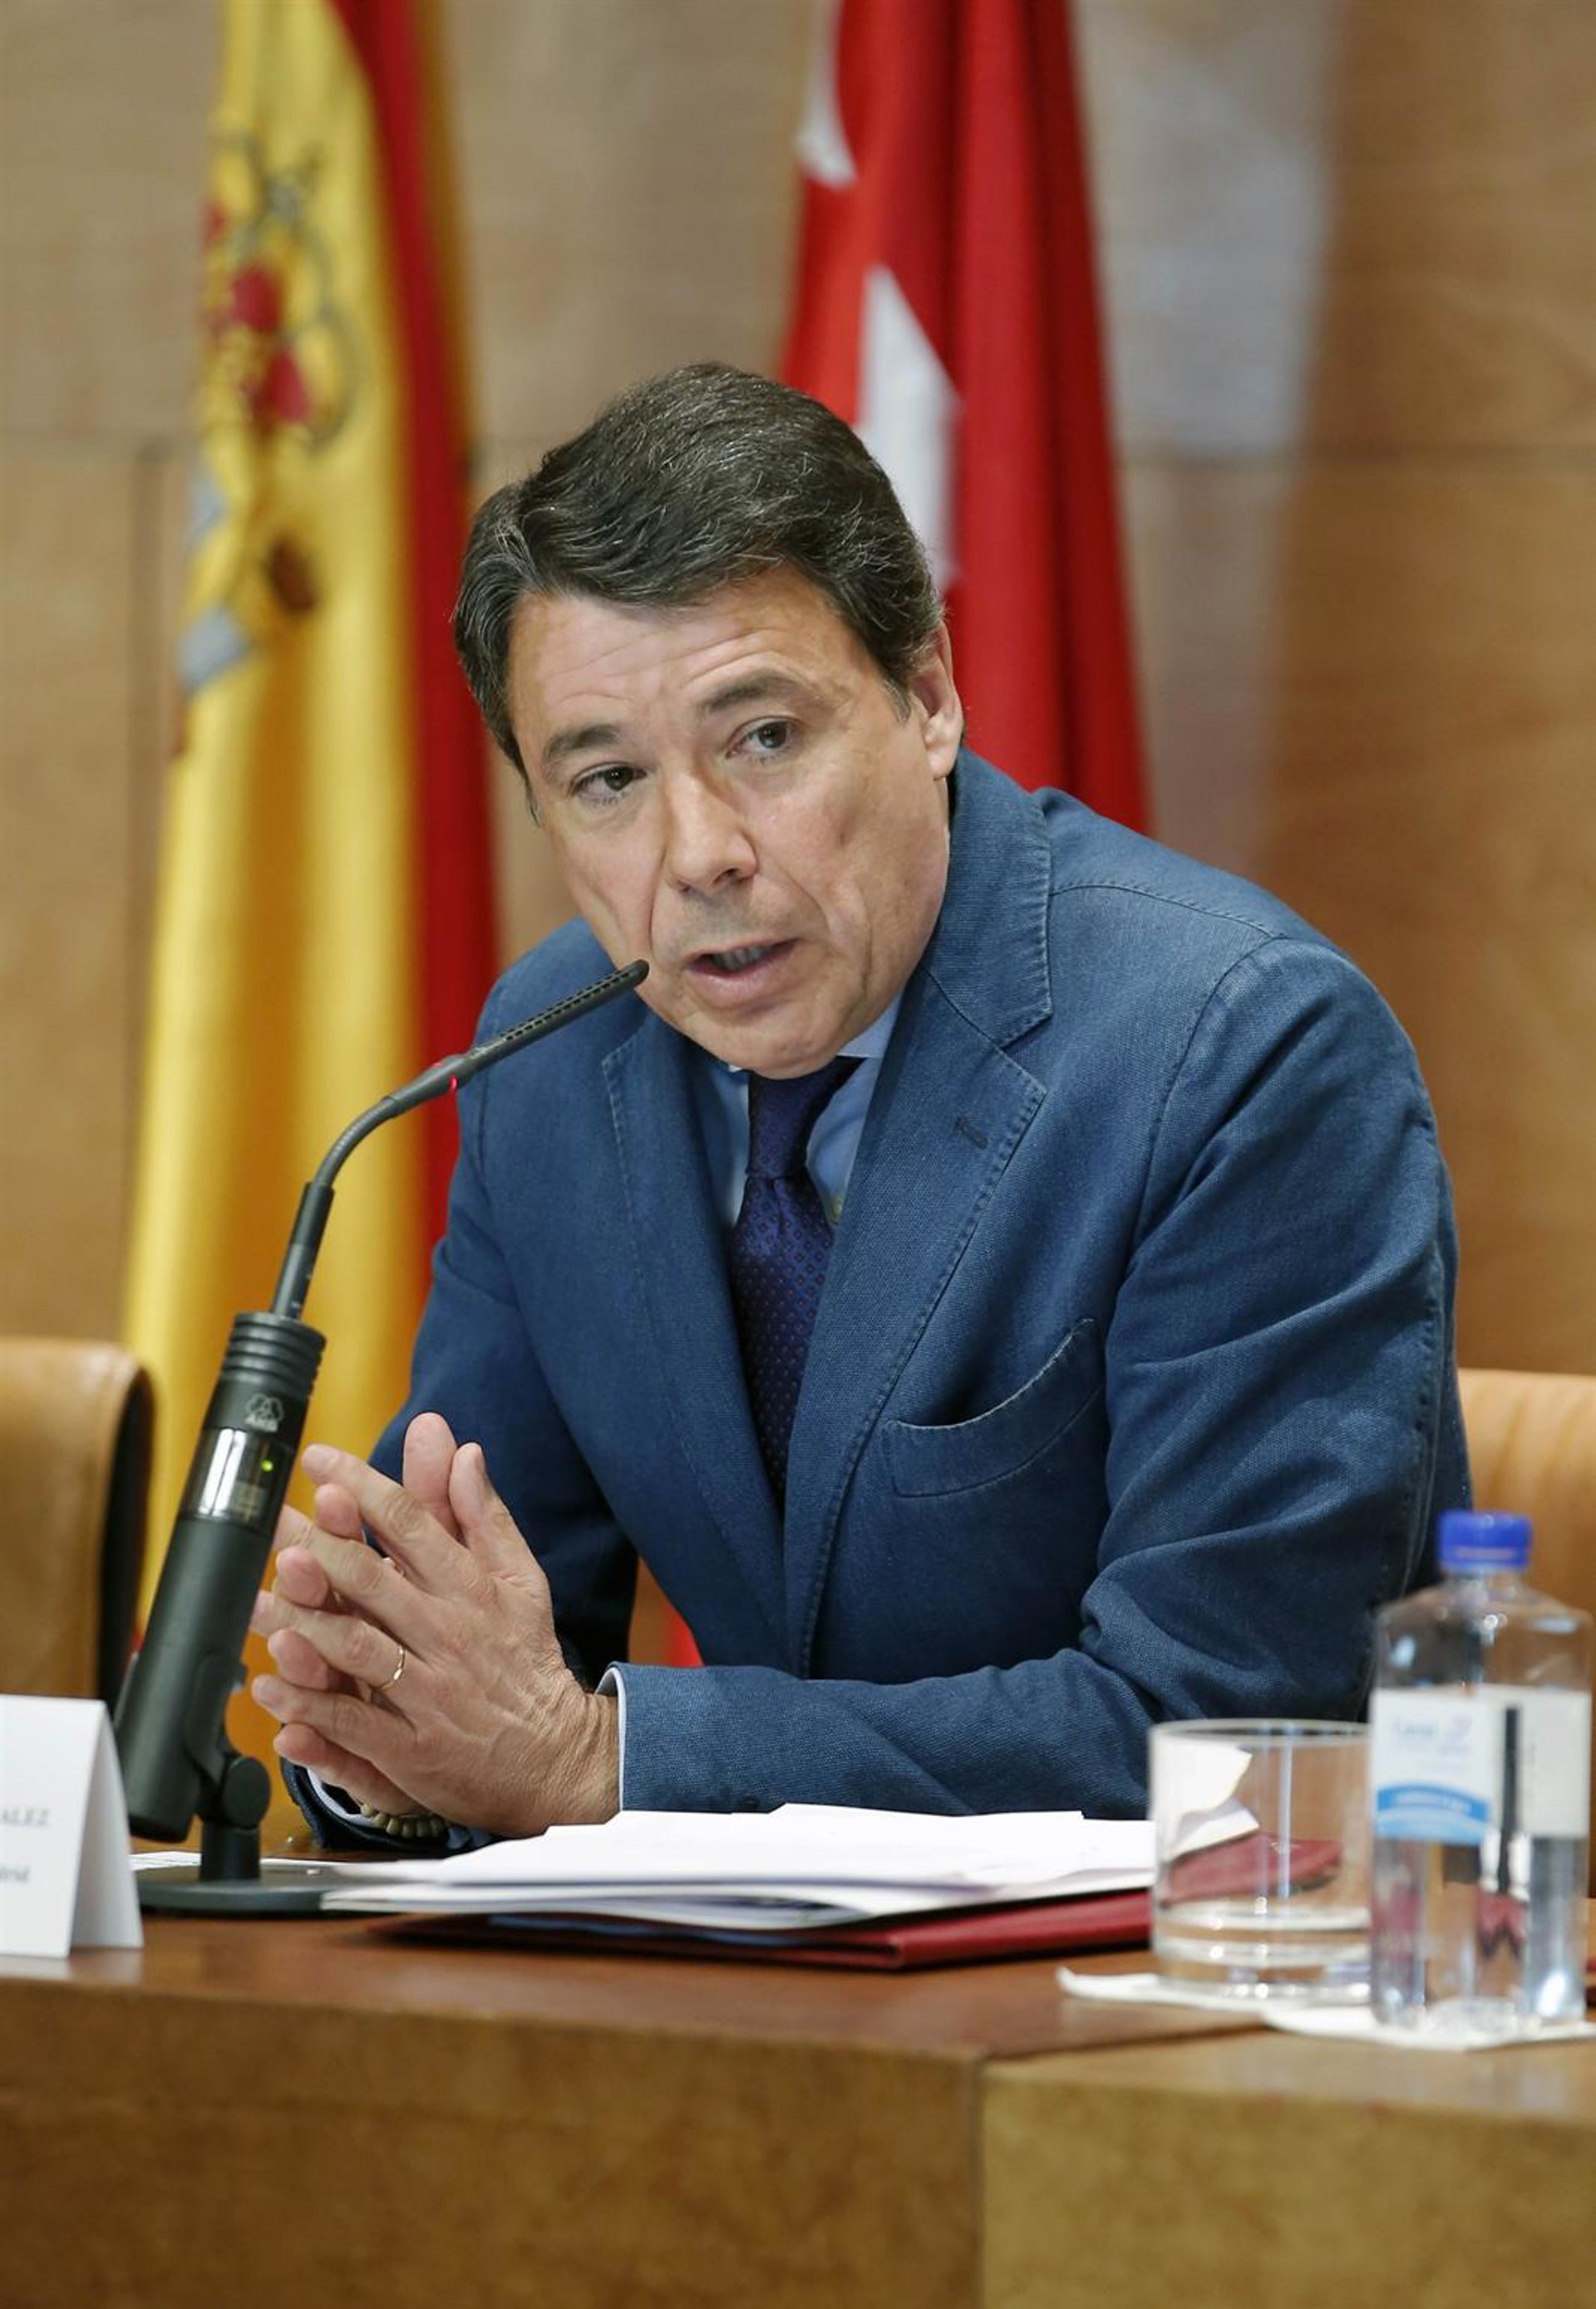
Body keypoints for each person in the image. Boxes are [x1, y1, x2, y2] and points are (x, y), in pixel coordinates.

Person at [253, 362, 1469, 1845]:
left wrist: (613, 1763)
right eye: (609, 779)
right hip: (742, 1973)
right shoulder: (556, 1058)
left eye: (764, 739)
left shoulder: (1239, 1053)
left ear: (930, 697)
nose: (699, 854)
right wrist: (381, 1735)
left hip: (1190, 1965)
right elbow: (507, 1652)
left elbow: (1220, 1727)